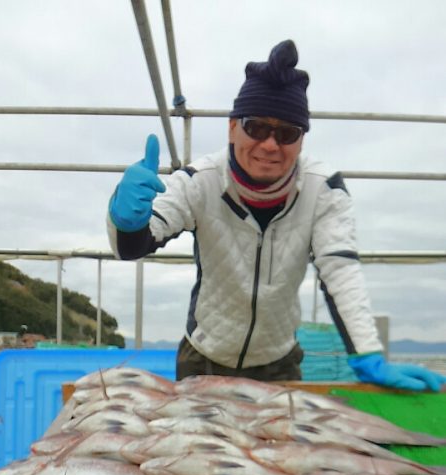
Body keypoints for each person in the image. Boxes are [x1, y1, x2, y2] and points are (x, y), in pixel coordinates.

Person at [107, 40, 445, 392]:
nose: (270, 144)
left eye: (287, 133)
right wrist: (124, 219)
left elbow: (340, 271)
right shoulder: (199, 180)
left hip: (279, 362)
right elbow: (132, 246)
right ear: (232, 127)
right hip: (203, 357)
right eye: (255, 127)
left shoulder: (324, 189)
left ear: (301, 140)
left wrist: (367, 353)